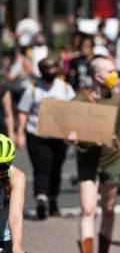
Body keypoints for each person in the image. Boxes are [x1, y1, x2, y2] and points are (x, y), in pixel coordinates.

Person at [71, 56, 120, 253]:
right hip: (87, 159)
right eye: (110, 71)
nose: (114, 75)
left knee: (108, 209)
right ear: (97, 76)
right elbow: (68, 128)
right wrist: (69, 138)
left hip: (112, 160)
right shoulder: (80, 99)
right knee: (88, 209)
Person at [16, 57, 76, 219]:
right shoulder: (33, 89)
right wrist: (20, 133)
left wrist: (72, 131)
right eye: (46, 70)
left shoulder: (65, 88)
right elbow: (23, 112)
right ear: (41, 72)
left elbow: (73, 111)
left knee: (56, 167)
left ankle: (53, 201)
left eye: (53, 69)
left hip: (60, 136)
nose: (50, 72)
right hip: (37, 134)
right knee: (42, 165)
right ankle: (41, 197)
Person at [0, 134, 26, 253]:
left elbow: (15, 215)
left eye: (2, 168)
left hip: (3, 238)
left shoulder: (16, 176)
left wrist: (17, 246)